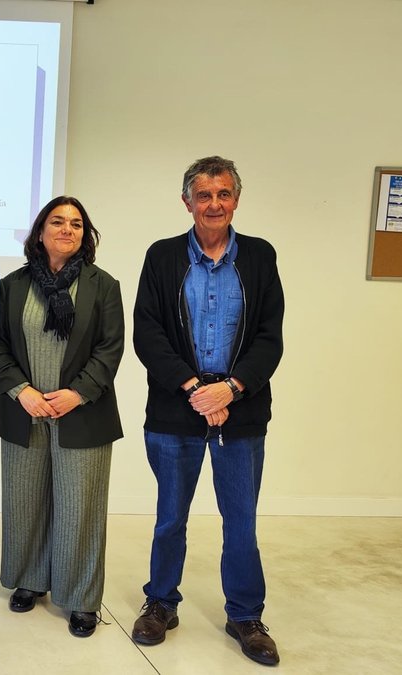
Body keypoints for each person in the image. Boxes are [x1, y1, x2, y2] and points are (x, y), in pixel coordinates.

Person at [131, 156, 285, 666]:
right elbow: (147, 333)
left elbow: (269, 337)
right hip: (176, 409)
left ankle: (245, 615)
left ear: (235, 199)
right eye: (203, 195)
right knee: (170, 517)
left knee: (240, 520)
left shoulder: (260, 257)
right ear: (187, 202)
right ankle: (160, 602)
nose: (213, 204)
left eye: (223, 194)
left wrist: (231, 389)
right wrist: (197, 388)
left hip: (240, 412)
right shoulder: (162, 256)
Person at [0, 196, 124, 638]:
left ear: (86, 235)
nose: (67, 229)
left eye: (77, 224)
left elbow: (110, 348)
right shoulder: (13, 285)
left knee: (79, 509)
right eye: (58, 222)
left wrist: (77, 393)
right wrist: (21, 391)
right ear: (40, 231)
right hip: (24, 410)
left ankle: (81, 599)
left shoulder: (104, 285)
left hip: (81, 413)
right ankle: (29, 579)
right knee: (24, 500)